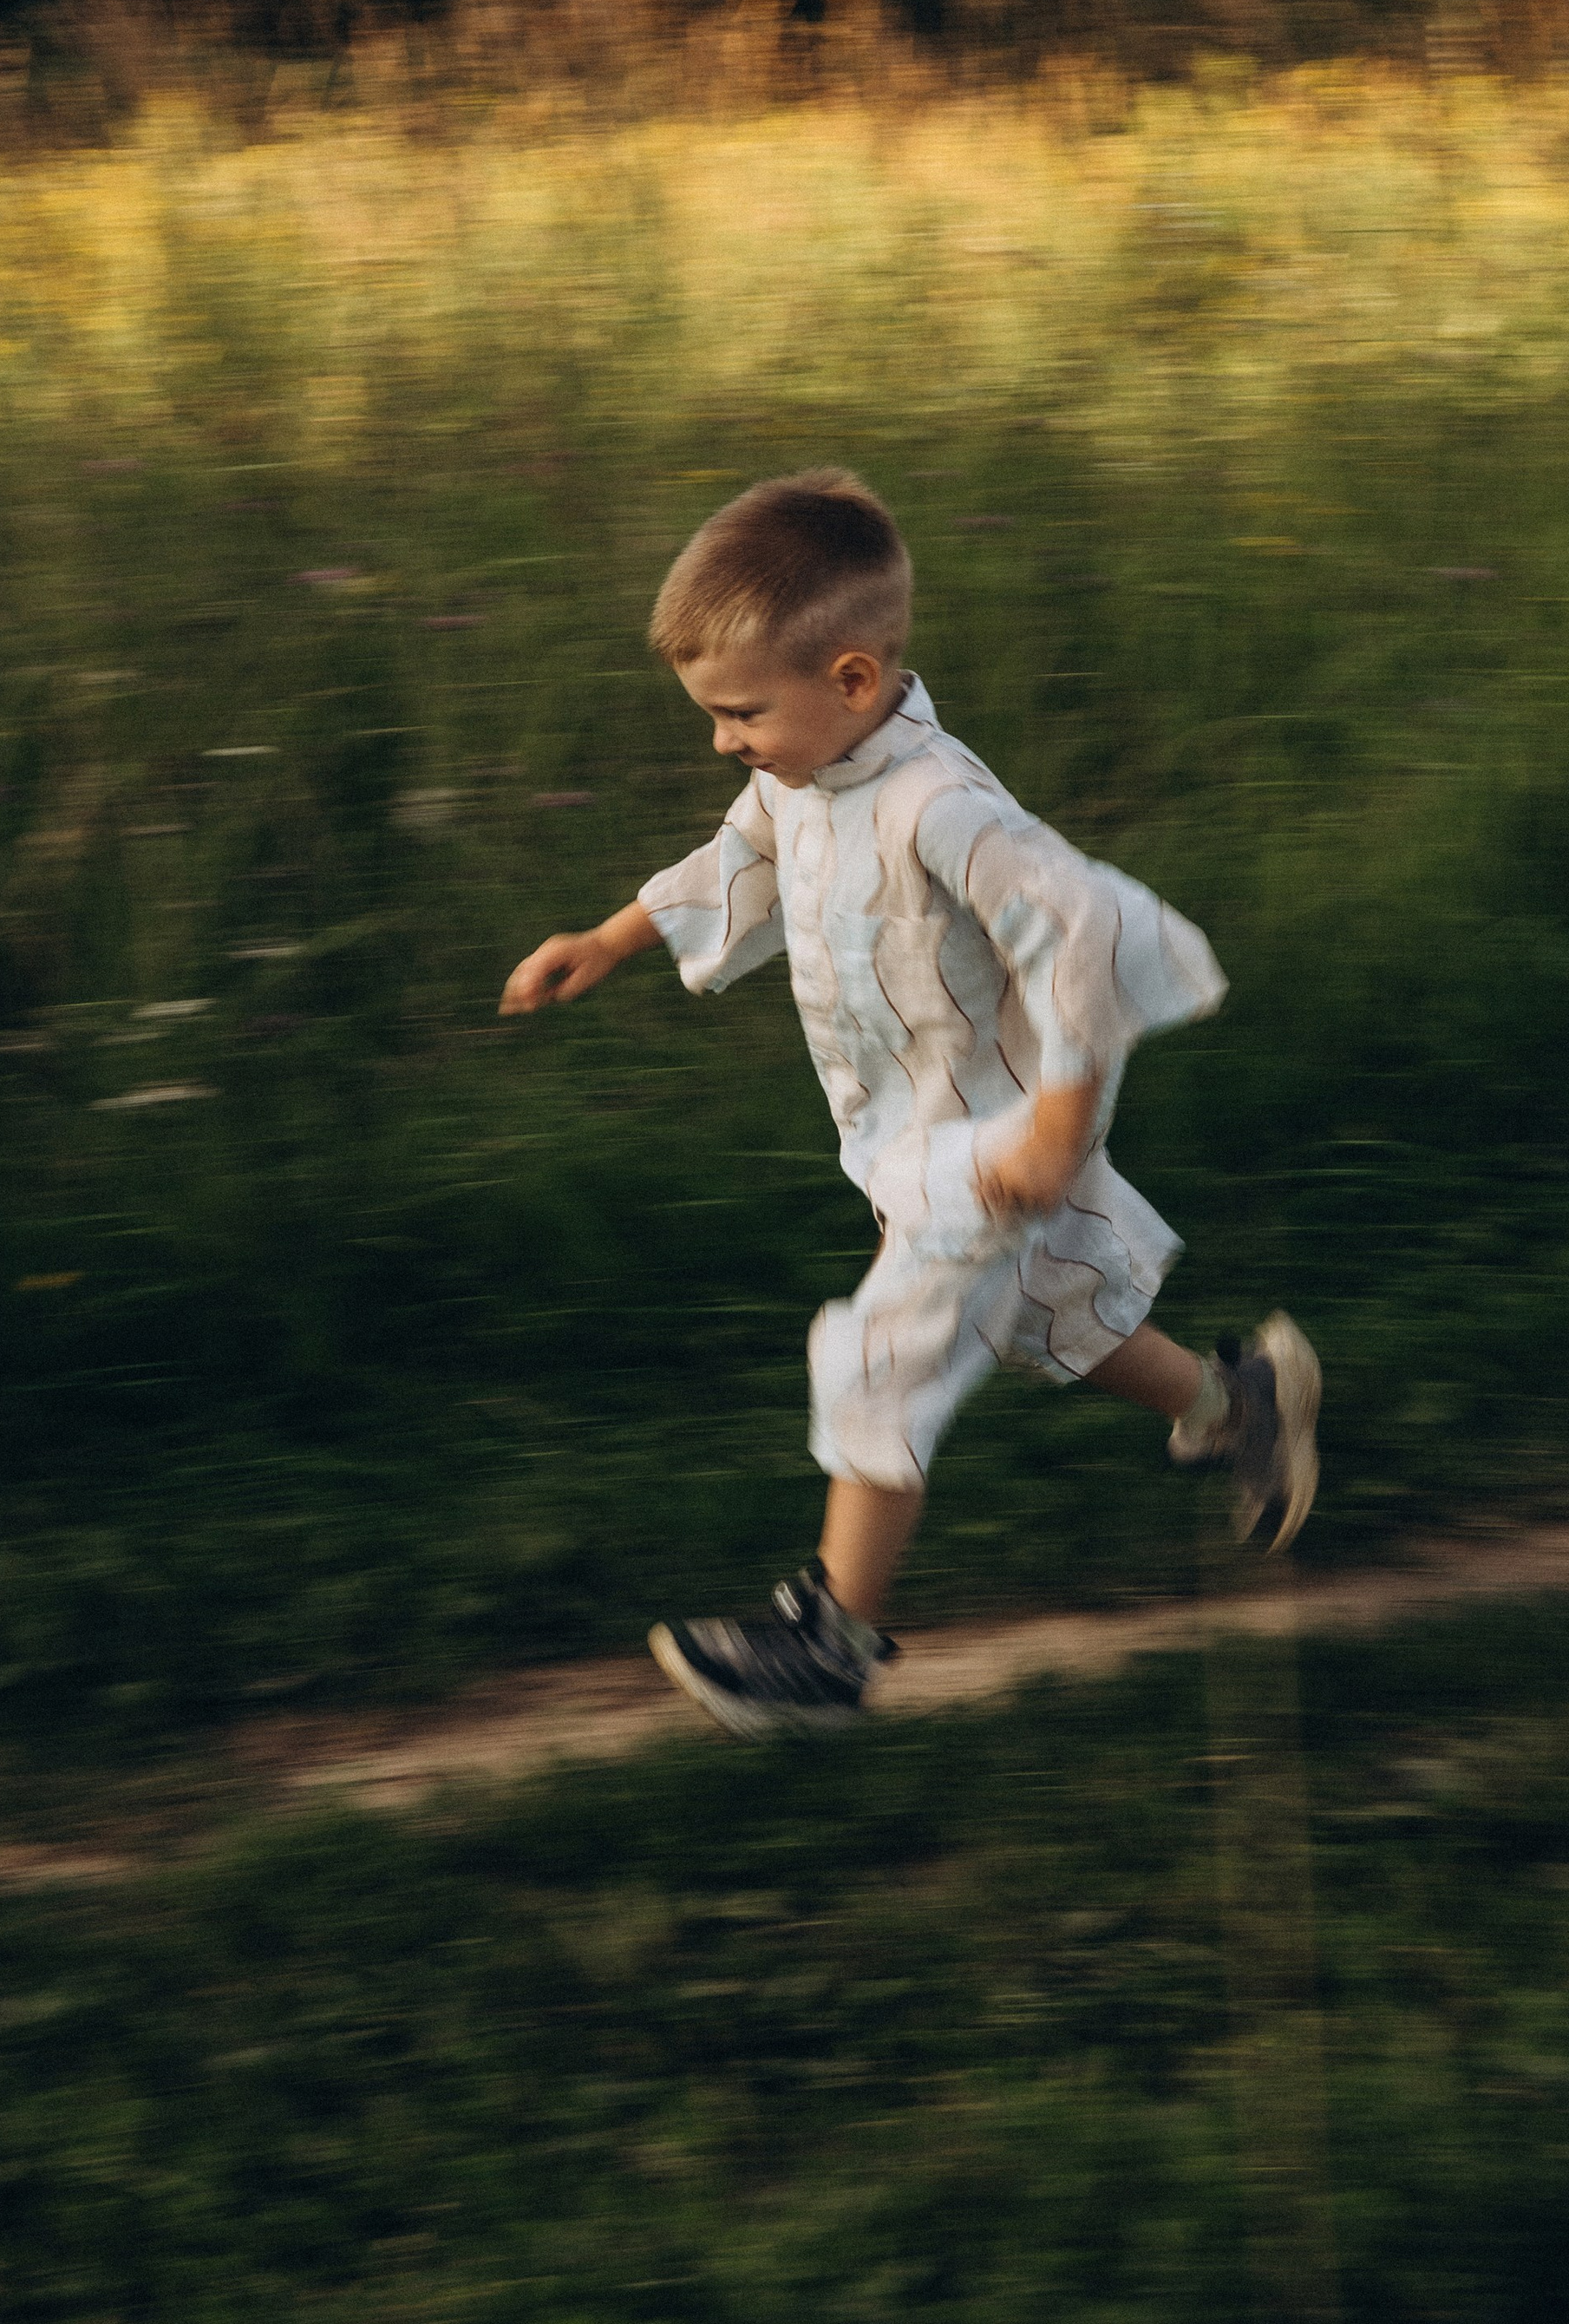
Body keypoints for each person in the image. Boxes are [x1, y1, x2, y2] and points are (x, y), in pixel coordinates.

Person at [500, 468, 1320, 1739]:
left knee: (882, 1355)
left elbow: (1086, 933)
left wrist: (1055, 1122)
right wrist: (608, 939)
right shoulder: (801, 775)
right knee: (1053, 1316)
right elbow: (742, 860)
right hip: (913, 1132)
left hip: (995, 1141)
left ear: (852, 682)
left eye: (738, 712)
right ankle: (1239, 1405)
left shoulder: (940, 807)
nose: (723, 738)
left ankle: (829, 1644)